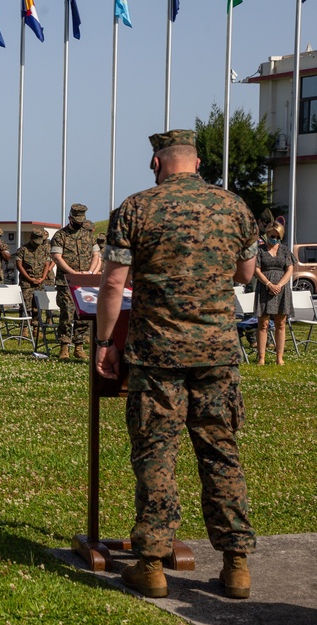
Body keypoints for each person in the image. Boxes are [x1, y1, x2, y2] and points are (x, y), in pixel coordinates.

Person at [95, 129, 257, 600]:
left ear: (156, 163)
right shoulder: (234, 207)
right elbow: (245, 274)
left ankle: (150, 564)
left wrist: (106, 343)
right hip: (218, 354)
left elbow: (112, 286)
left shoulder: (135, 208)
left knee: (156, 454)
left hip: (157, 355)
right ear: (199, 162)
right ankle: (236, 565)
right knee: (221, 453)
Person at [51, 203, 99, 360]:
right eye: (77, 220)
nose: (80, 223)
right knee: (67, 313)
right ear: (70, 218)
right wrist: (73, 273)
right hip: (66, 282)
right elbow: (57, 257)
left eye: (82, 221)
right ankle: (64, 347)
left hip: (84, 282)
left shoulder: (88, 235)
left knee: (83, 315)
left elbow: (96, 255)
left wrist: (90, 273)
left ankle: (79, 346)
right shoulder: (60, 236)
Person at [254, 222, 295, 366]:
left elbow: (289, 269)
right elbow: (256, 270)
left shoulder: (285, 250)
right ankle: (261, 358)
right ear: (267, 234)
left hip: (282, 290)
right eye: (272, 236)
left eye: (278, 236)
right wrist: (269, 284)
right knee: (263, 323)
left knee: (281, 323)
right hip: (265, 288)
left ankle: (279, 358)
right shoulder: (259, 250)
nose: (275, 239)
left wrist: (279, 285)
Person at [15, 228, 52, 339]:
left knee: (38, 307)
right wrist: (30, 278)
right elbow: (19, 265)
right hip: (27, 283)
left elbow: (47, 264)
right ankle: (24, 329)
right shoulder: (23, 250)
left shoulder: (43, 250)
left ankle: (36, 328)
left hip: (40, 282)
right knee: (26, 307)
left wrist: (42, 278)